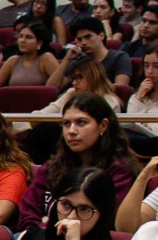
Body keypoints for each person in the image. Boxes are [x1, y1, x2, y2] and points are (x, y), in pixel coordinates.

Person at [16, 94, 136, 230]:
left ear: (103, 126)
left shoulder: (118, 171)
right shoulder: (51, 167)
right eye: (67, 124)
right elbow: (26, 217)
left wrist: (50, 225)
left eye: (81, 122)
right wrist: (49, 229)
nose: (71, 131)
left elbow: (105, 223)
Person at [48, 17, 134, 89]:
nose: (83, 42)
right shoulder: (78, 60)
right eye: (79, 39)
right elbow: (51, 88)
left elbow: (121, 89)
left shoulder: (119, 57)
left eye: (88, 37)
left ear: (101, 36)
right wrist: (67, 59)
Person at [0, 21, 61, 89]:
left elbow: (60, 83)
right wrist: (2, 98)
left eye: (28, 37)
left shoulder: (46, 58)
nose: (22, 40)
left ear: (39, 43)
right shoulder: (12, 60)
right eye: (20, 36)